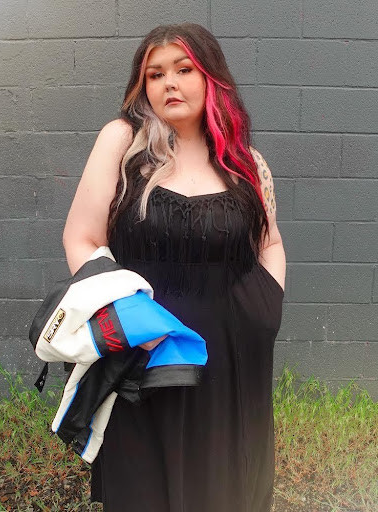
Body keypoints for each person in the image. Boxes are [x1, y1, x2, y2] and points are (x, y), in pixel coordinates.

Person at [62, 22, 286, 512]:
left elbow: (270, 242)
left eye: (184, 69)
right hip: (146, 349)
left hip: (231, 353)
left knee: (224, 480)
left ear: (212, 79)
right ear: (142, 87)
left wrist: (267, 311)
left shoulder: (246, 162)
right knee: (142, 482)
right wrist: (129, 323)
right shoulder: (122, 143)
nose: (170, 83)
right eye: (155, 73)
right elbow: (82, 238)